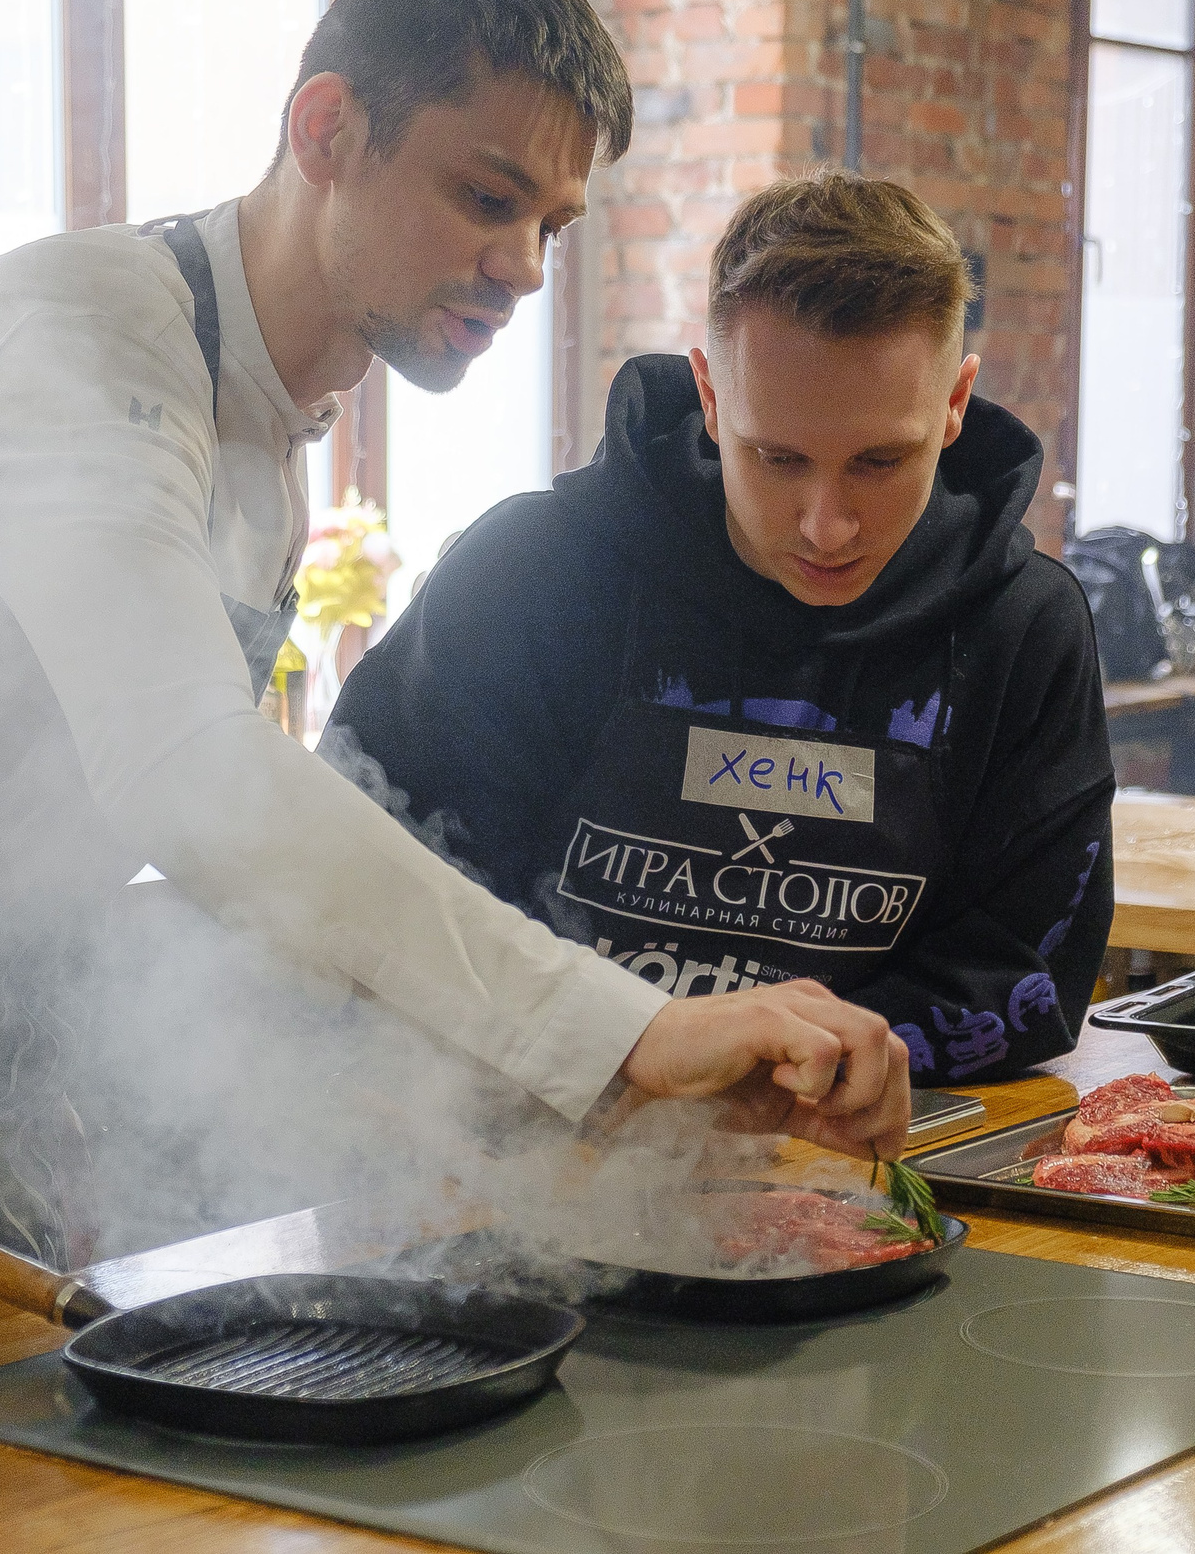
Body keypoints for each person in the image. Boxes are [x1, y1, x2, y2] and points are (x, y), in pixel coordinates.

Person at [0, 0, 909, 1357]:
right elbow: (192, 778)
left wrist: (533, 1095)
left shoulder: (261, 429)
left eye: (553, 225)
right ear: (329, 127)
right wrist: (619, 1034)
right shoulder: (77, 354)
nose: (520, 265)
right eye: (484, 195)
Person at [327, 173, 1115, 1082]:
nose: (827, 524)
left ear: (953, 405)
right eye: (777, 457)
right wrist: (630, 1052)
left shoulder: (1025, 631)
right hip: (528, 1137)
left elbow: (1027, 972)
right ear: (708, 394)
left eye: (879, 461)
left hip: (859, 1161)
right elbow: (382, 888)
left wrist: (790, 1067)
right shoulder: (533, 579)